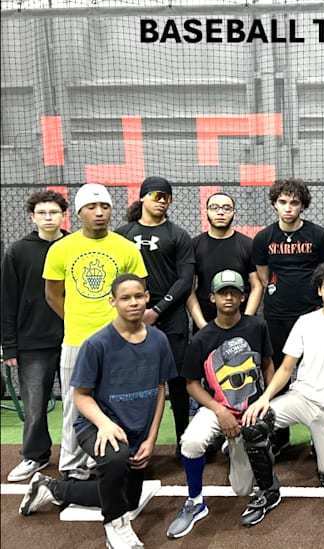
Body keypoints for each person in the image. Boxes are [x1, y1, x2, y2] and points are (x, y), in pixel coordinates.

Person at [19, 274, 176, 549]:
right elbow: (80, 396)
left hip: (137, 430)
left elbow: (160, 389)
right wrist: (104, 424)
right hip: (94, 425)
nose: (133, 303)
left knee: (128, 496)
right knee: (115, 459)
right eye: (125, 298)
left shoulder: (159, 341)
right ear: (112, 301)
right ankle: (115, 526)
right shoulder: (97, 344)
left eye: (138, 296)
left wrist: (151, 440)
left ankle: (50, 488)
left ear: (148, 298)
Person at [43, 183, 148, 480]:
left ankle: (101, 461)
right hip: (77, 340)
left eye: (104, 207)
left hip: (119, 343)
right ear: (78, 213)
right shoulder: (61, 249)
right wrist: (75, 319)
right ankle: (73, 466)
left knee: (113, 403)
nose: (99, 212)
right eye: (91, 207)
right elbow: (53, 295)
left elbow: (137, 292)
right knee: (75, 404)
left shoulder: (126, 249)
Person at [242, 261, 324, 488]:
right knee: (255, 425)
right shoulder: (305, 323)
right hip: (300, 399)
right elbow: (285, 368)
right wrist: (265, 398)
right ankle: (266, 488)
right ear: (319, 290)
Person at [167, 270, 277, 538]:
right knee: (191, 442)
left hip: (251, 410)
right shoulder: (202, 338)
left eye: (235, 292)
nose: (229, 297)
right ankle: (195, 502)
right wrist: (219, 411)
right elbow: (191, 383)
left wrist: (264, 401)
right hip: (217, 408)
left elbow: (267, 365)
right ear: (212, 297)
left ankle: (263, 468)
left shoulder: (256, 326)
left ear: (243, 297)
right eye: (223, 293)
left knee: (241, 488)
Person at [252, 178, 324, 454]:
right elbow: (263, 276)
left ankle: (319, 433)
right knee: (278, 371)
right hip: (277, 315)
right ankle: (279, 434)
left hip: (312, 315)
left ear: (303, 205)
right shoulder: (264, 238)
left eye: (294, 202)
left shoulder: (319, 236)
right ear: (275, 204)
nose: (288, 208)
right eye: (283, 202)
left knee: (317, 373)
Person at [117, 177, 194, 455]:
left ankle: (183, 441)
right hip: (130, 318)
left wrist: (157, 310)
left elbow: (186, 280)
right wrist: (134, 309)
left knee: (177, 382)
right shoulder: (123, 233)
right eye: (156, 195)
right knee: (135, 382)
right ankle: (134, 442)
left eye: (166, 197)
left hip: (171, 319)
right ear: (142, 199)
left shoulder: (178, 235)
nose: (161, 201)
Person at [2, 190, 69, 482]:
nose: (48, 217)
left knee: (80, 401)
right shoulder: (18, 251)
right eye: (42, 213)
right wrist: (9, 346)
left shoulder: (74, 246)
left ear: (62, 215)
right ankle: (35, 456)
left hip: (73, 338)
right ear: (32, 217)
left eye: (53, 212)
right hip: (32, 343)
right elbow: (7, 299)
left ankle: (77, 455)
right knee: (35, 405)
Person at [187, 192, 262, 329]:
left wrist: (247, 321)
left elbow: (256, 286)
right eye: (214, 207)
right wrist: (202, 325)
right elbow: (189, 289)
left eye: (226, 208)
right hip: (206, 322)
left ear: (234, 212)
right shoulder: (194, 246)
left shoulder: (248, 245)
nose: (220, 212)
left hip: (241, 322)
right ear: (206, 212)